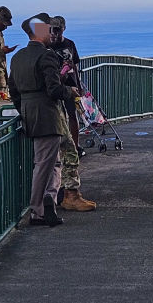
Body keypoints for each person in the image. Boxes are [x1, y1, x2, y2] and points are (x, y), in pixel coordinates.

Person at [10, 13, 78, 227]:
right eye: (48, 29)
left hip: (29, 113)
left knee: (51, 161)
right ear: (40, 32)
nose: (51, 34)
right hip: (48, 115)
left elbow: (13, 90)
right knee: (44, 163)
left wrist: (24, 110)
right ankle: (38, 209)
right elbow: (54, 89)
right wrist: (70, 91)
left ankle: (49, 196)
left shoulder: (18, 57)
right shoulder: (47, 56)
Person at [47, 15, 96, 212]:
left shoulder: (69, 44)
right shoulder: (46, 50)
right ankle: (68, 194)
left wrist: (77, 84)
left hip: (69, 89)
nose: (54, 33)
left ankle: (74, 145)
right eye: (51, 30)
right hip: (56, 93)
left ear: (63, 29)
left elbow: (74, 65)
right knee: (61, 145)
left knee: (72, 117)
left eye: (57, 30)